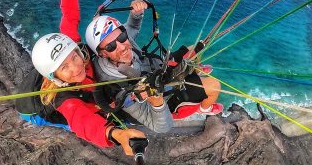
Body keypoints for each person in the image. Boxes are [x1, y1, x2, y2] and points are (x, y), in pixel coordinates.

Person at [17, 0, 160, 156]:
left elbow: (69, 17)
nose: (76, 67)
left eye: (74, 57)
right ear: (56, 76)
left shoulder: (71, 47)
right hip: (32, 111)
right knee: (89, 113)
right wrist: (116, 134)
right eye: (64, 67)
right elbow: (82, 121)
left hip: (46, 77)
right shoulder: (63, 98)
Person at [85, 9, 223, 122]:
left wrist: (136, 14)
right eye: (110, 47)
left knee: (194, 49)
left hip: (156, 69)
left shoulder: (123, 44)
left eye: (121, 37)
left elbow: (131, 27)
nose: (121, 46)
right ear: (102, 54)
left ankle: (191, 69)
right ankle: (204, 109)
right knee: (214, 85)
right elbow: (135, 102)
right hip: (162, 97)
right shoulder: (115, 82)